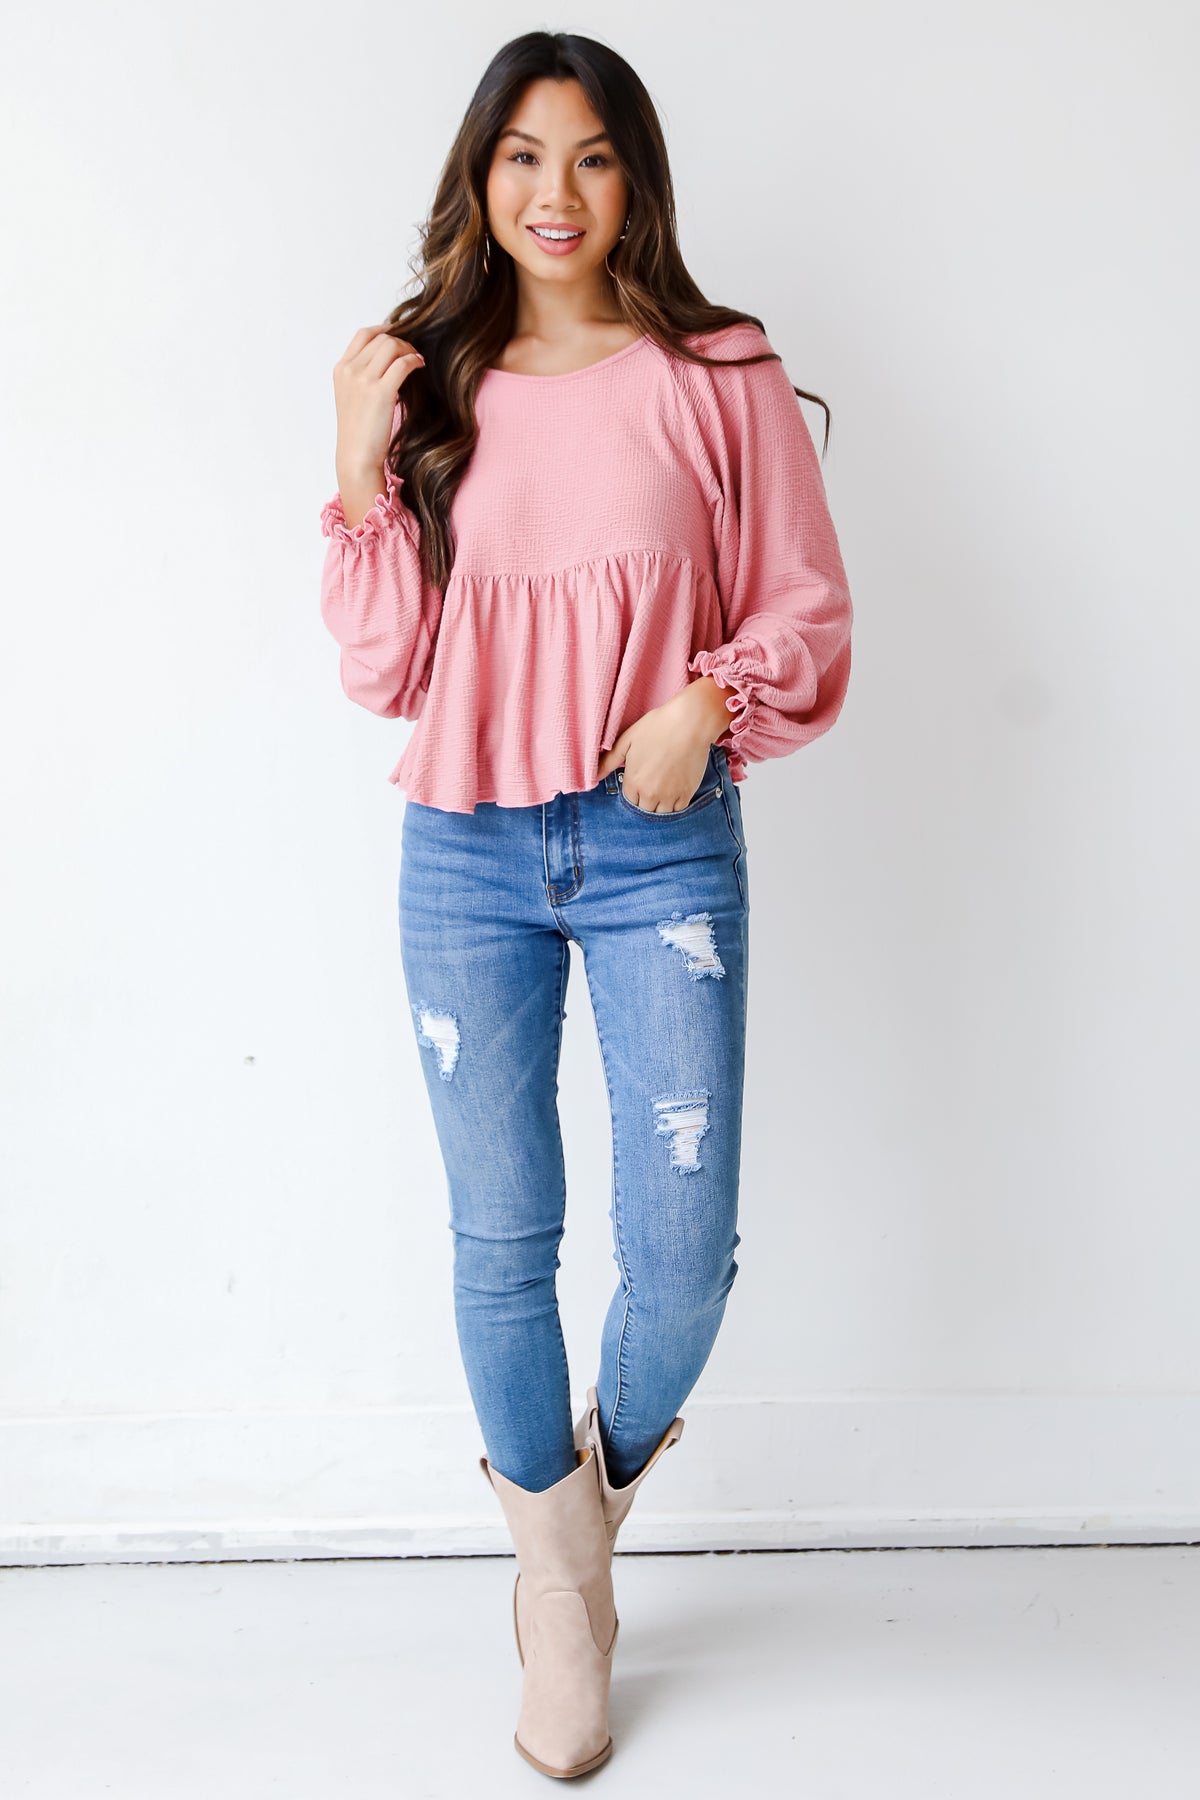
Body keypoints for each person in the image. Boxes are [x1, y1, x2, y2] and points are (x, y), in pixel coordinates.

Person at [319, 29, 853, 1781]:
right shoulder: (435, 380)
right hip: (464, 849)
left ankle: (579, 1518)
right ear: (482, 178)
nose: (558, 193)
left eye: (595, 155)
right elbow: (388, 668)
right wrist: (357, 455)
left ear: (638, 179)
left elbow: (804, 604)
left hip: (658, 844)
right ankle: (562, 1595)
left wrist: (709, 703)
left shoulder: (719, 370)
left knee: (683, 1250)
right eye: (525, 156)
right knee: (502, 1239)